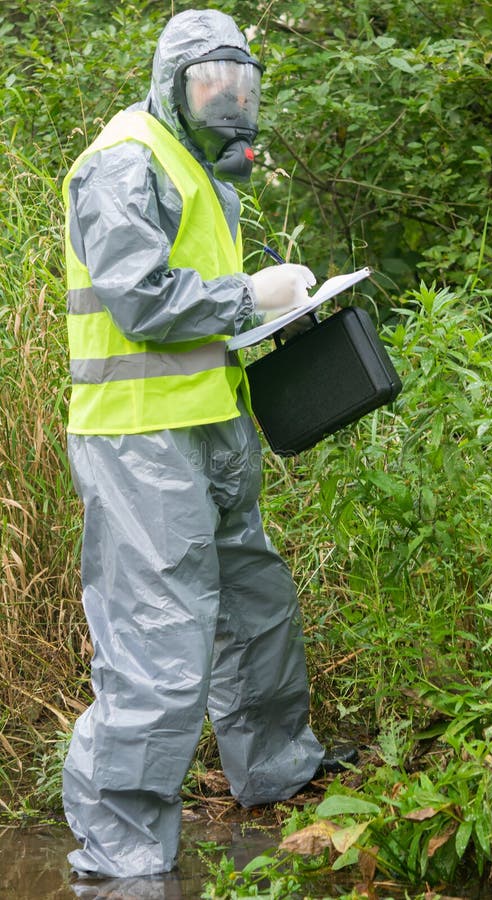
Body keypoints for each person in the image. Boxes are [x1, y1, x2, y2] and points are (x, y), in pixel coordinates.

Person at [61, 8, 355, 881]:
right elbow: (140, 298)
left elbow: (202, 304)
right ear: (171, 81)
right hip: (139, 438)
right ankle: (119, 854)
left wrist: (282, 305)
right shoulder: (126, 158)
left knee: (253, 606)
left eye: (241, 85)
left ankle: (273, 768)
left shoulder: (197, 164)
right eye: (210, 85)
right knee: (158, 644)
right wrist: (246, 296)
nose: (229, 101)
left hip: (211, 423)